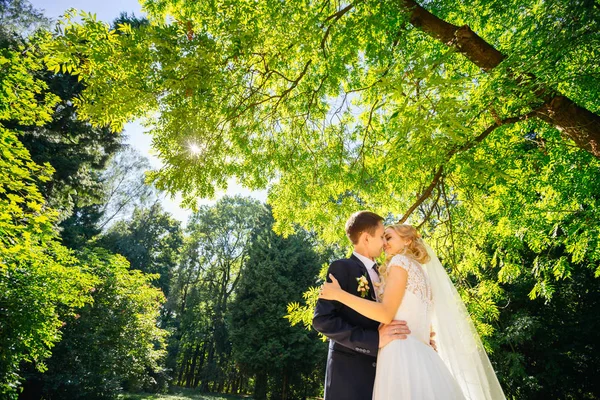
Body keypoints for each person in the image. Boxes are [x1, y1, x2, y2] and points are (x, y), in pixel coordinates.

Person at [319, 223, 506, 400]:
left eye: (389, 237)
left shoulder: (400, 262)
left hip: (400, 351)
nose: (385, 243)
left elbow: (386, 313)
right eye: (383, 237)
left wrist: (339, 294)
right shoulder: (421, 273)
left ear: (407, 240)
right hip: (419, 351)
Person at [312, 211, 417, 400]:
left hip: (387, 374)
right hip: (349, 377)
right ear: (367, 239)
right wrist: (373, 340)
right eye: (381, 236)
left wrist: (417, 335)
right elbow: (322, 320)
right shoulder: (342, 268)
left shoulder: (388, 272)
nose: (385, 243)